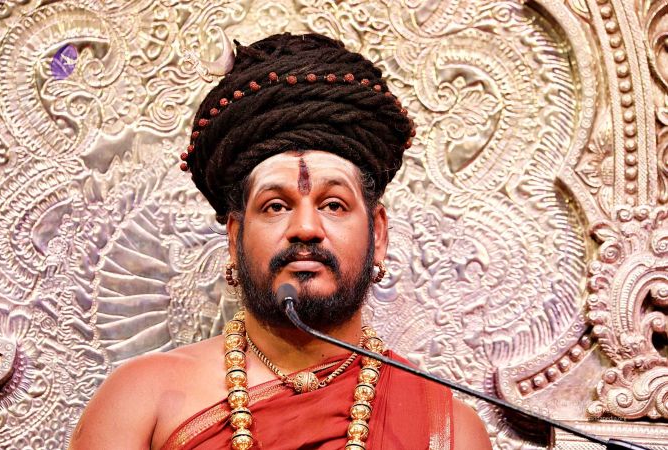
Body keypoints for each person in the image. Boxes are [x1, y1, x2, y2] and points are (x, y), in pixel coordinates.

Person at [70, 32, 492, 449]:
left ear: (378, 234)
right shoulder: (143, 401)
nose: (305, 228)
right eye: (275, 206)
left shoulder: (448, 431)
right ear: (234, 238)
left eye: (333, 205)